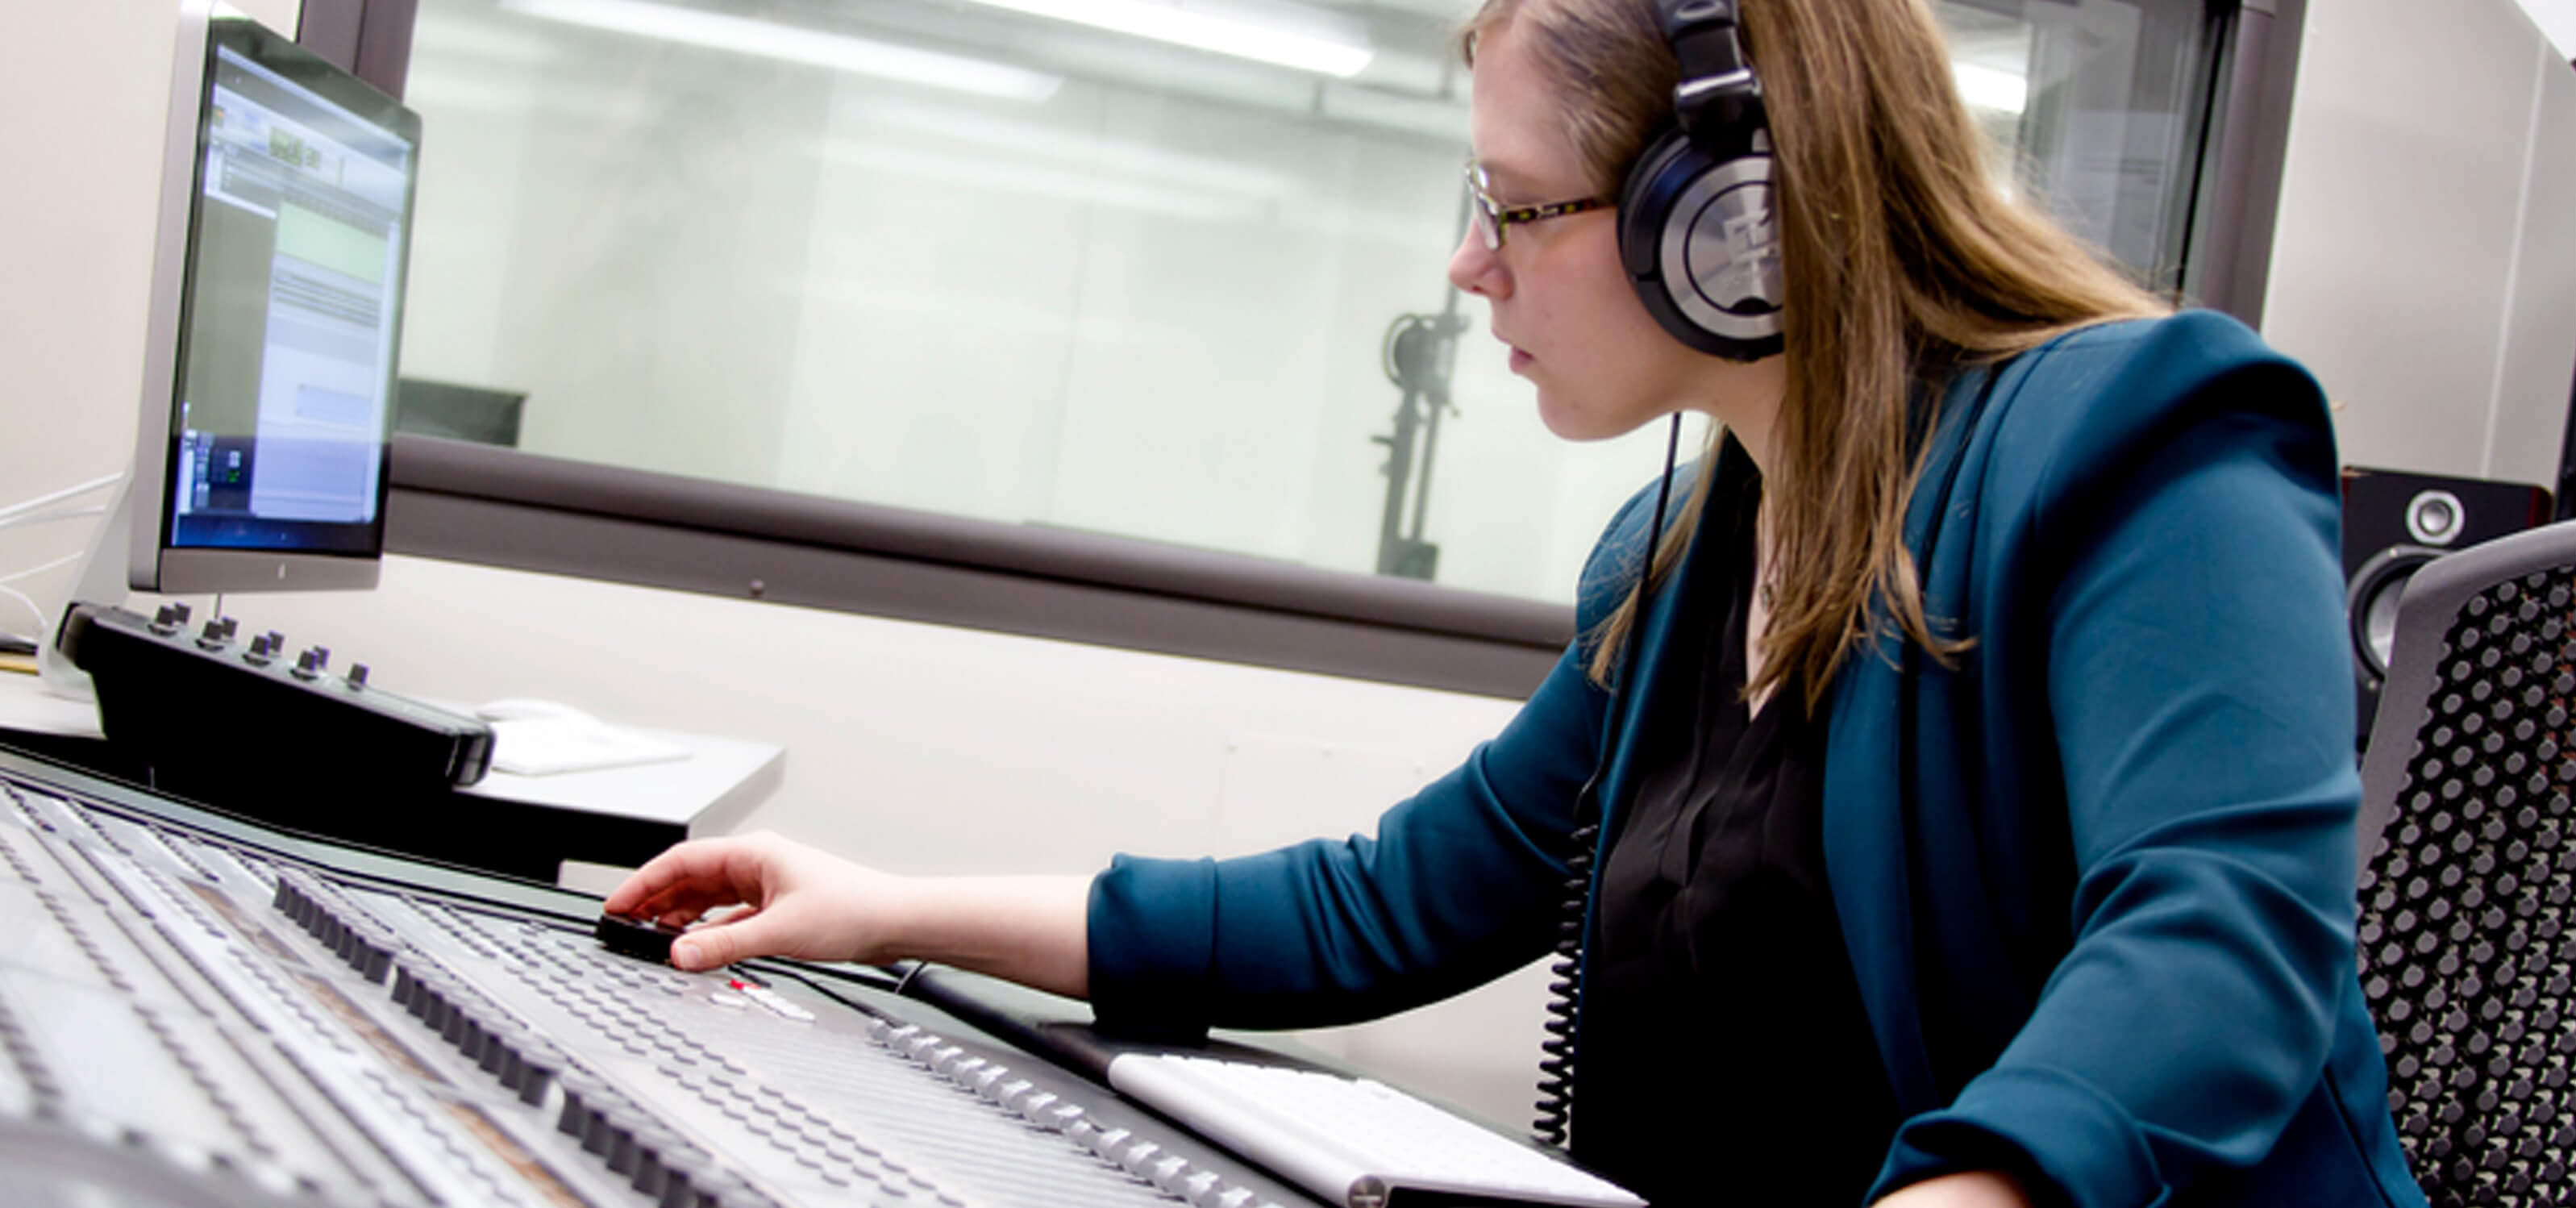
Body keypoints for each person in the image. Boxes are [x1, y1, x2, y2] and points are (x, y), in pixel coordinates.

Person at [607, 0, 2427, 1203]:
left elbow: (2221, 934)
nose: (1466, 264)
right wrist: (879, 907)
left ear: (1732, 221)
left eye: (1513, 204)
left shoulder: (2144, 436)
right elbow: (1389, 902)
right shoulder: (1676, 565)